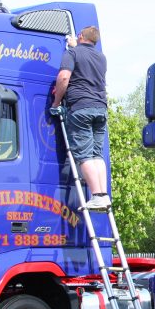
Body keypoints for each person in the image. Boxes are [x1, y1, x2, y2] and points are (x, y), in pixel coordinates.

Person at [52, 26, 110, 211]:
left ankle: (97, 196)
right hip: (100, 109)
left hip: (81, 108)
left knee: (84, 155)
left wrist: (56, 102)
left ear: (80, 36)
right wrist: (76, 45)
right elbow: (86, 58)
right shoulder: (101, 57)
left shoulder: (72, 54)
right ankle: (103, 194)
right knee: (96, 154)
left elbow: (63, 78)